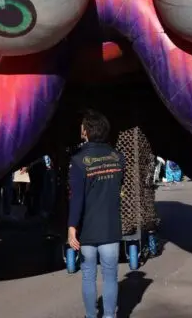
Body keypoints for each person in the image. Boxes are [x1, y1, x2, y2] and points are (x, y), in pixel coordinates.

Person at [68, 110, 125, 318]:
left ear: (86, 131)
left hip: (87, 230)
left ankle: (91, 315)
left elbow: (76, 199)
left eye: (82, 126)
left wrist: (72, 228)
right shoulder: (118, 158)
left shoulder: (78, 161)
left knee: (88, 276)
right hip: (110, 226)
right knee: (110, 277)